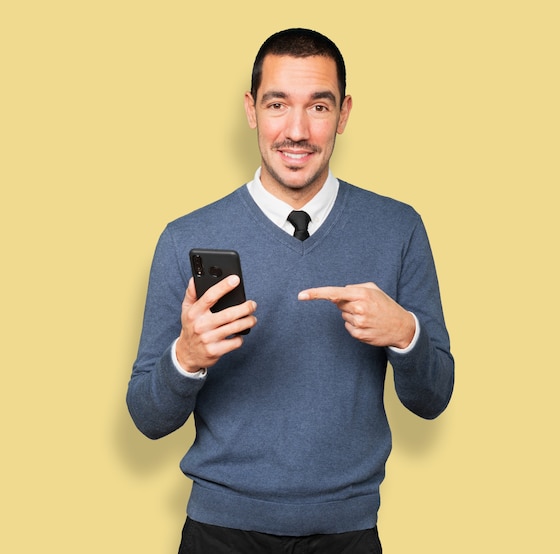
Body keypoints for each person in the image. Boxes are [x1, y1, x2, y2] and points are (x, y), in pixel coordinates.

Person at [127, 28, 454, 553]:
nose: (296, 130)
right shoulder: (184, 238)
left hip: (348, 533)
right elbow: (147, 418)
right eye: (278, 104)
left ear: (343, 114)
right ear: (252, 110)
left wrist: (405, 333)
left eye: (318, 107)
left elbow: (433, 399)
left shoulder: (398, 229)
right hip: (219, 532)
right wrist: (186, 358)